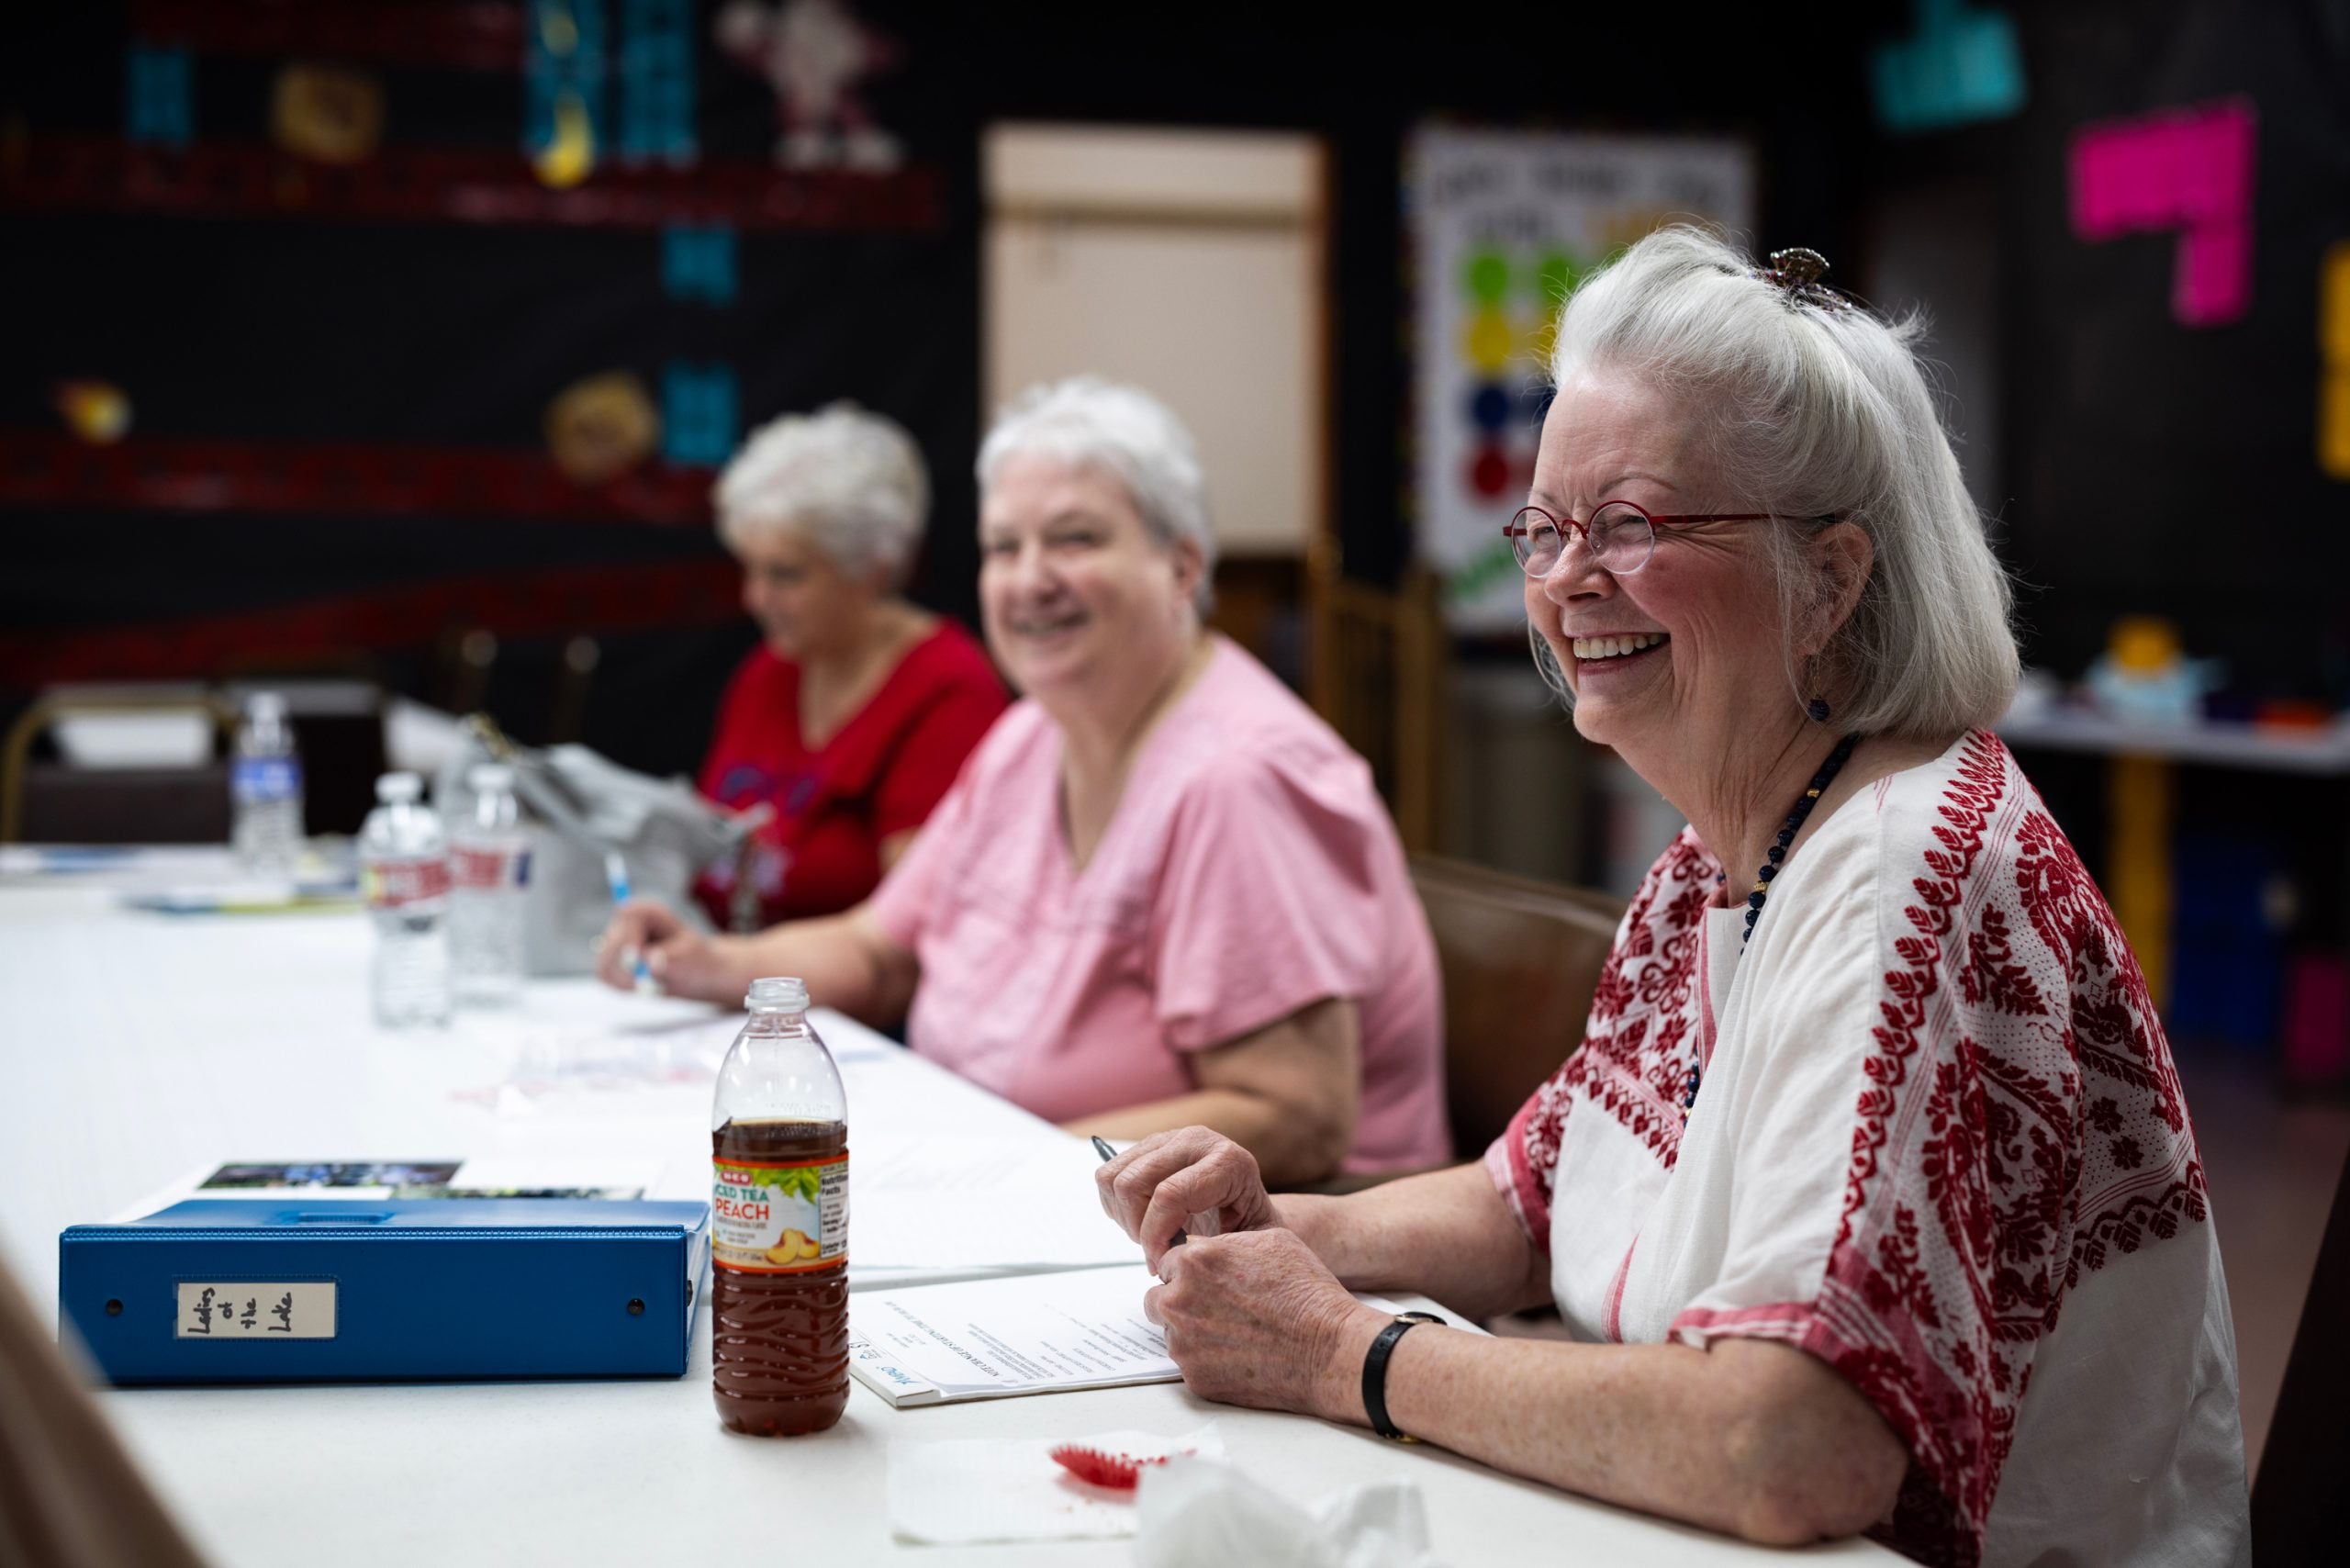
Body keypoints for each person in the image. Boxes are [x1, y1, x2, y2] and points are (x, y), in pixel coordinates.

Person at [1094, 231, 2248, 1566]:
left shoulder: (1906, 885)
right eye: (1544, 529)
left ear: (1830, 580)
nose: (1567, 579)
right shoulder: (1727, 853)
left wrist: (1342, 1352)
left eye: (1633, 523)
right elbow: (1536, 1200)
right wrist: (1281, 1233)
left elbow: (1791, 1444)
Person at [602, 378, 1447, 1184]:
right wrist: (707, 961)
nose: (1030, 577)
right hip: (1024, 1199)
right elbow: (876, 948)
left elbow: (1297, 1116)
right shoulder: (1028, 737)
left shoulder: (1241, 778)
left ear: (1182, 567)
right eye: (1005, 546)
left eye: (1075, 539)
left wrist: (999, 1164)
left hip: (1223, 1249)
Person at [693, 403, 1006, 929]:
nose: (756, 597)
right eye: (750, 570)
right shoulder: (769, 672)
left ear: (870, 571)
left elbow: (914, 930)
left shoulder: (950, 691)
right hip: (738, 989)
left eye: (786, 576)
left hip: (844, 1006)